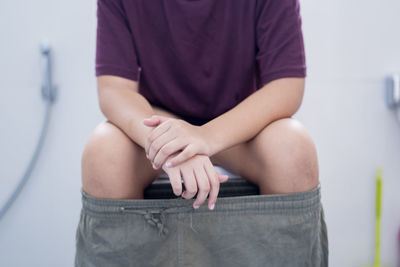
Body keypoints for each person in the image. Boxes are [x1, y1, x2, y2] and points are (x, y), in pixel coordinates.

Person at [75, 0, 328, 266]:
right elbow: (114, 90)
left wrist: (203, 138)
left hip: (238, 135)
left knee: (294, 150)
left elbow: (286, 86)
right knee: (103, 153)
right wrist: (172, 141)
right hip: (157, 127)